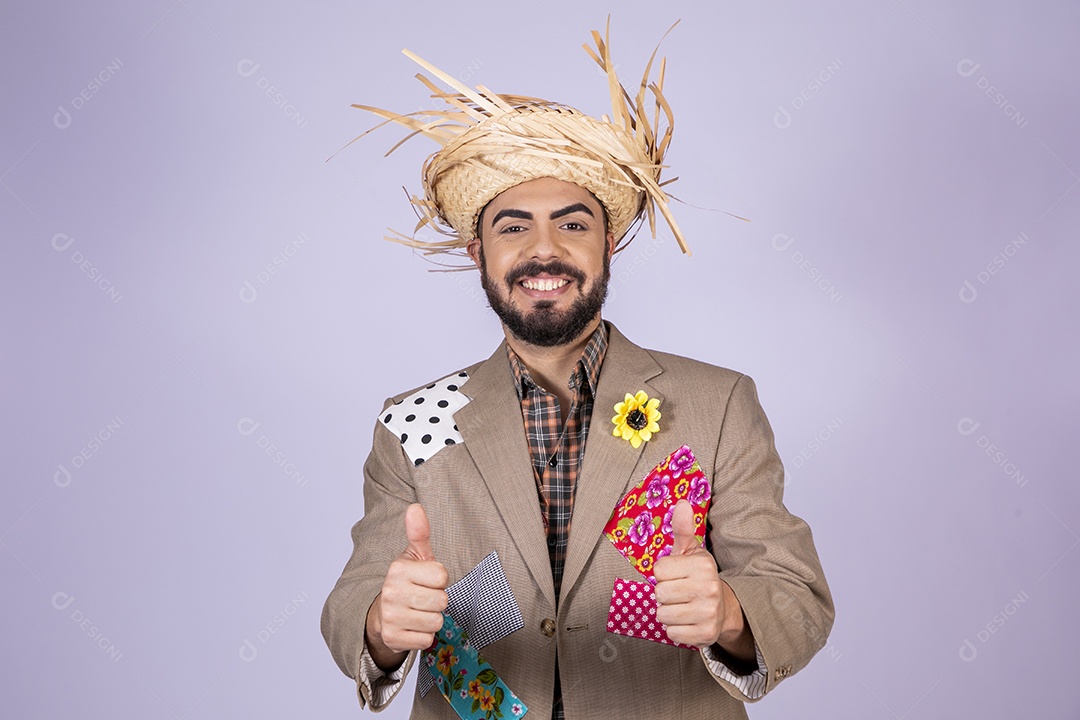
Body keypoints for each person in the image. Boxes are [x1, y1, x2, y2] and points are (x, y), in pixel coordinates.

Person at [322, 24, 833, 720]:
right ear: (478, 252)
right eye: (512, 227)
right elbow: (353, 600)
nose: (543, 251)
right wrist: (382, 627)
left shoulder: (717, 404)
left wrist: (733, 613)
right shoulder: (411, 421)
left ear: (609, 243)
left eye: (571, 224)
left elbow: (796, 595)